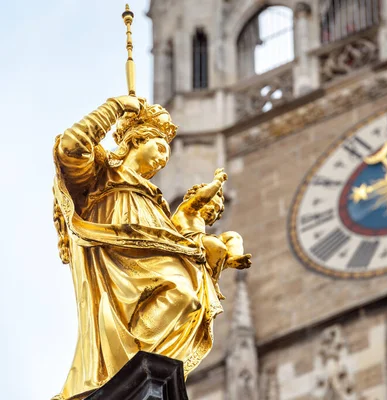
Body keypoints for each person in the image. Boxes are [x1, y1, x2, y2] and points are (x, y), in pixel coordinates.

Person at [52, 95, 245, 399]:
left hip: (144, 264)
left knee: (191, 298)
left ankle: (141, 362)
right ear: (135, 140)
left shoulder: (154, 201)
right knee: (182, 291)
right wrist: (116, 106)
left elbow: (180, 242)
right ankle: (132, 363)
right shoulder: (101, 173)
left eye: (167, 155)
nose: (163, 160)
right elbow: (71, 145)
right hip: (113, 265)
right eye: (160, 148)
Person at [171, 169, 252, 299]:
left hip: (203, 248)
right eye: (210, 204)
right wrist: (217, 182)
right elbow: (201, 198)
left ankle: (233, 258)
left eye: (217, 211)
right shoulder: (188, 209)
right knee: (217, 245)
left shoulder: (205, 232)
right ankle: (211, 283)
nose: (212, 210)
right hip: (187, 244)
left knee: (233, 236)